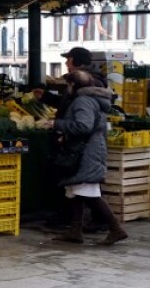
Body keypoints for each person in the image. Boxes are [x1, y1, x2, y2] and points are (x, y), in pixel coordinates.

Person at [50, 69, 126, 245]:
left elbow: (83, 126)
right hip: (88, 149)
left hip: (86, 152)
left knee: (89, 192)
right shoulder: (91, 99)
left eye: (68, 85)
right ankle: (75, 231)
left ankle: (116, 229)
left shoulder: (82, 101)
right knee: (76, 189)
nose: (67, 88)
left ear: (73, 85)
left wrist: (57, 124)